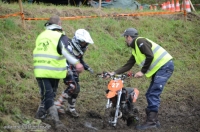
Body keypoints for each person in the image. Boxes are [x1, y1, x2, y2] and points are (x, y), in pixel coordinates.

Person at [109, 28, 174, 130]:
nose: (125, 40)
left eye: (126, 37)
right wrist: (114, 73)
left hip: (164, 66)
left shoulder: (140, 41)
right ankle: (154, 121)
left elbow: (150, 56)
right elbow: (128, 65)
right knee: (149, 94)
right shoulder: (135, 50)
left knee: (153, 93)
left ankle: (151, 122)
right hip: (161, 68)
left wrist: (142, 71)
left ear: (129, 37)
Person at [33, 15, 84, 130]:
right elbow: (66, 53)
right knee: (50, 96)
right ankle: (57, 122)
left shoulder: (41, 35)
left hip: (41, 70)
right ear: (59, 24)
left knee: (47, 95)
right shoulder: (61, 37)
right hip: (54, 71)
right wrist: (77, 63)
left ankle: (39, 116)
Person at [54, 29, 94, 118]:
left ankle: (71, 108)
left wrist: (87, 67)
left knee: (77, 88)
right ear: (77, 41)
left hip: (75, 70)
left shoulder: (79, 50)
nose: (85, 45)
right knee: (72, 86)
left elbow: (80, 60)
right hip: (66, 69)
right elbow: (63, 58)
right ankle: (58, 104)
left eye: (85, 43)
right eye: (83, 43)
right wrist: (66, 68)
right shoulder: (68, 47)